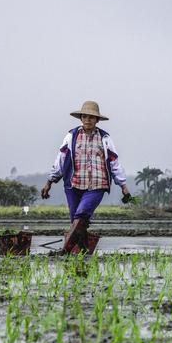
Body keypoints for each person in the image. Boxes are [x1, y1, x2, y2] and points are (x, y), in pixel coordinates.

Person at [42, 100, 131, 253]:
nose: (87, 120)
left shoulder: (105, 139)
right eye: (84, 117)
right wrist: (50, 181)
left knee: (81, 215)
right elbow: (61, 159)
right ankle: (83, 253)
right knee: (76, 222)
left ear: (97, 120)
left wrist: (123, 185)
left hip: (97, 185)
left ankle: (64, 251)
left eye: (91, 117)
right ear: (80, 118)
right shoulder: (71, 136)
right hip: (73, 184)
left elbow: (114, 161)